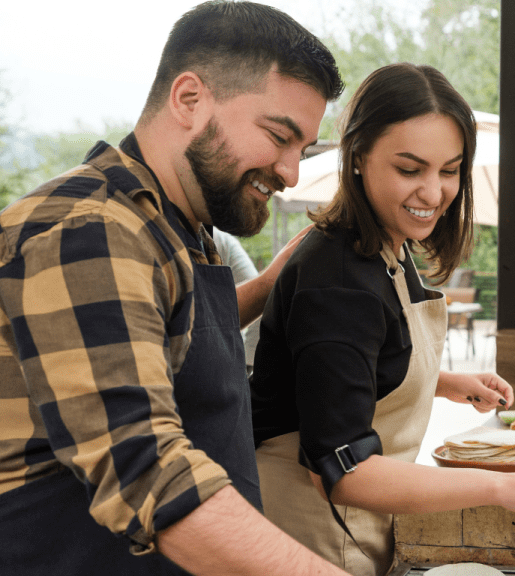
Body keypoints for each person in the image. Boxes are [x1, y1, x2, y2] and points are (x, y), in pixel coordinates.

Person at [0, 2, 354, 575]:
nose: (291, 173)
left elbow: (165, 340)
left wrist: (268, 284)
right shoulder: (87, 232)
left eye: (302, 150)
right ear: (189, 100)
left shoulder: (181, 226)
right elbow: (145, 472)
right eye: (278, 136)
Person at [250, 63, 515, 576]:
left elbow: (345, 373)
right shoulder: (339, 280)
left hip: (353, 527)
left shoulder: (388, 247)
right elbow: (339, 472)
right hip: (306, 534)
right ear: (358, 158)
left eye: (450, 170)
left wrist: (442, 381)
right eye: (410, 170)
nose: (434, 194)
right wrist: (504, 486)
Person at [212, 227, 263, 372]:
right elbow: (260, 304)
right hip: (226, 369)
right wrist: (246, 367)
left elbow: (259, 302)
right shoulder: (223, 241)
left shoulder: (222, 241)